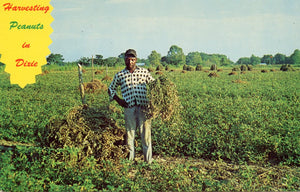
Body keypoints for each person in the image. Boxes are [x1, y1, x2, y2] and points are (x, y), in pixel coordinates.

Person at [108, 49, 154, 163]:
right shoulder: (120, 75)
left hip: (144, 107)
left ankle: (148, 161)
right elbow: (110, 89)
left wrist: (154, 102)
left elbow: (154, 85)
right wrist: (119, 100)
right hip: (129, 108)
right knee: (130, 134)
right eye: (128, 59)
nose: (130, 62)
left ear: (136, 60)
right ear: (124, 60)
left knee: (146, 135)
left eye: (132, 59)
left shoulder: (144, 72)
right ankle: (130, 160)